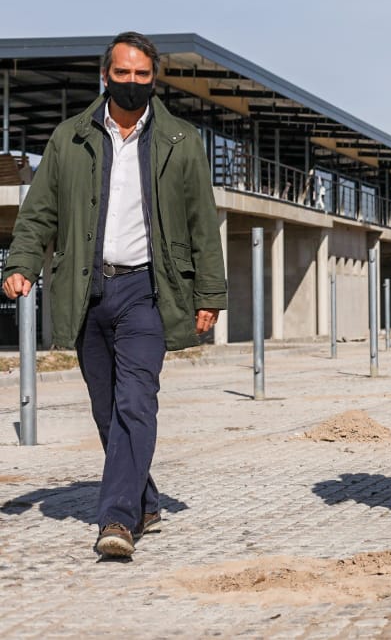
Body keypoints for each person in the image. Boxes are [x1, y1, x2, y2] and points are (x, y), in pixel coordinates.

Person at [2, 31, 227, 558]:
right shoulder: (69, 139)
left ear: (154, 78)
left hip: (148, 290)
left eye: (141, 75)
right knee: (107, 410)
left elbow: (202, 222)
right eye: (122, 73)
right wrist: (22, 263)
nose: (131, 83)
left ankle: (118, 520)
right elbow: (40, 213)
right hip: (88, 288)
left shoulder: (180, 141)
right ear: (106, 76)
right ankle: (145, 498)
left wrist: (209, 293)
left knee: (134, 402)